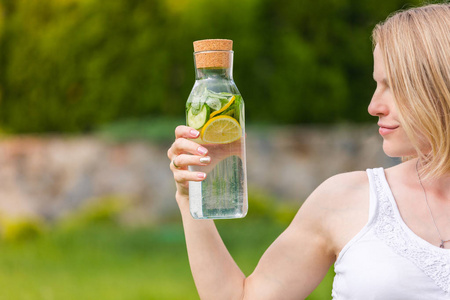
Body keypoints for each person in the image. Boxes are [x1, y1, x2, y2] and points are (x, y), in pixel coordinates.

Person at [167, 3, 450, 299]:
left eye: (394, 86)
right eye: (377, 84)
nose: (374, 106)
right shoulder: (346, 200)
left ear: (440, 88)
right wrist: (190, 199)